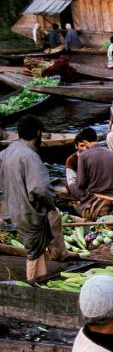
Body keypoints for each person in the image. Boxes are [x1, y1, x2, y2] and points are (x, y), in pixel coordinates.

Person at [0, 116, 67, 282]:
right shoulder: (30, 156)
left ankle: (41, 279)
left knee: (37, 251)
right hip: (29, 211)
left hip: (14, 207)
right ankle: (33, 284)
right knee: (34, 252)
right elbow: (40, 189)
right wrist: (52, 203)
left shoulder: (8, 150)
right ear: (38, 133)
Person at [65, 128, 113, 203]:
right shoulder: (111, 152)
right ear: (76, 146)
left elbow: (81, 183)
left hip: (94, 190)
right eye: (81, 146)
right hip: (102, 187)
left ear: (85, 142)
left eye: (84, 145)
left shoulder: (84, 156)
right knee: (71, 184)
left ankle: (86, 199)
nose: (85, 149)